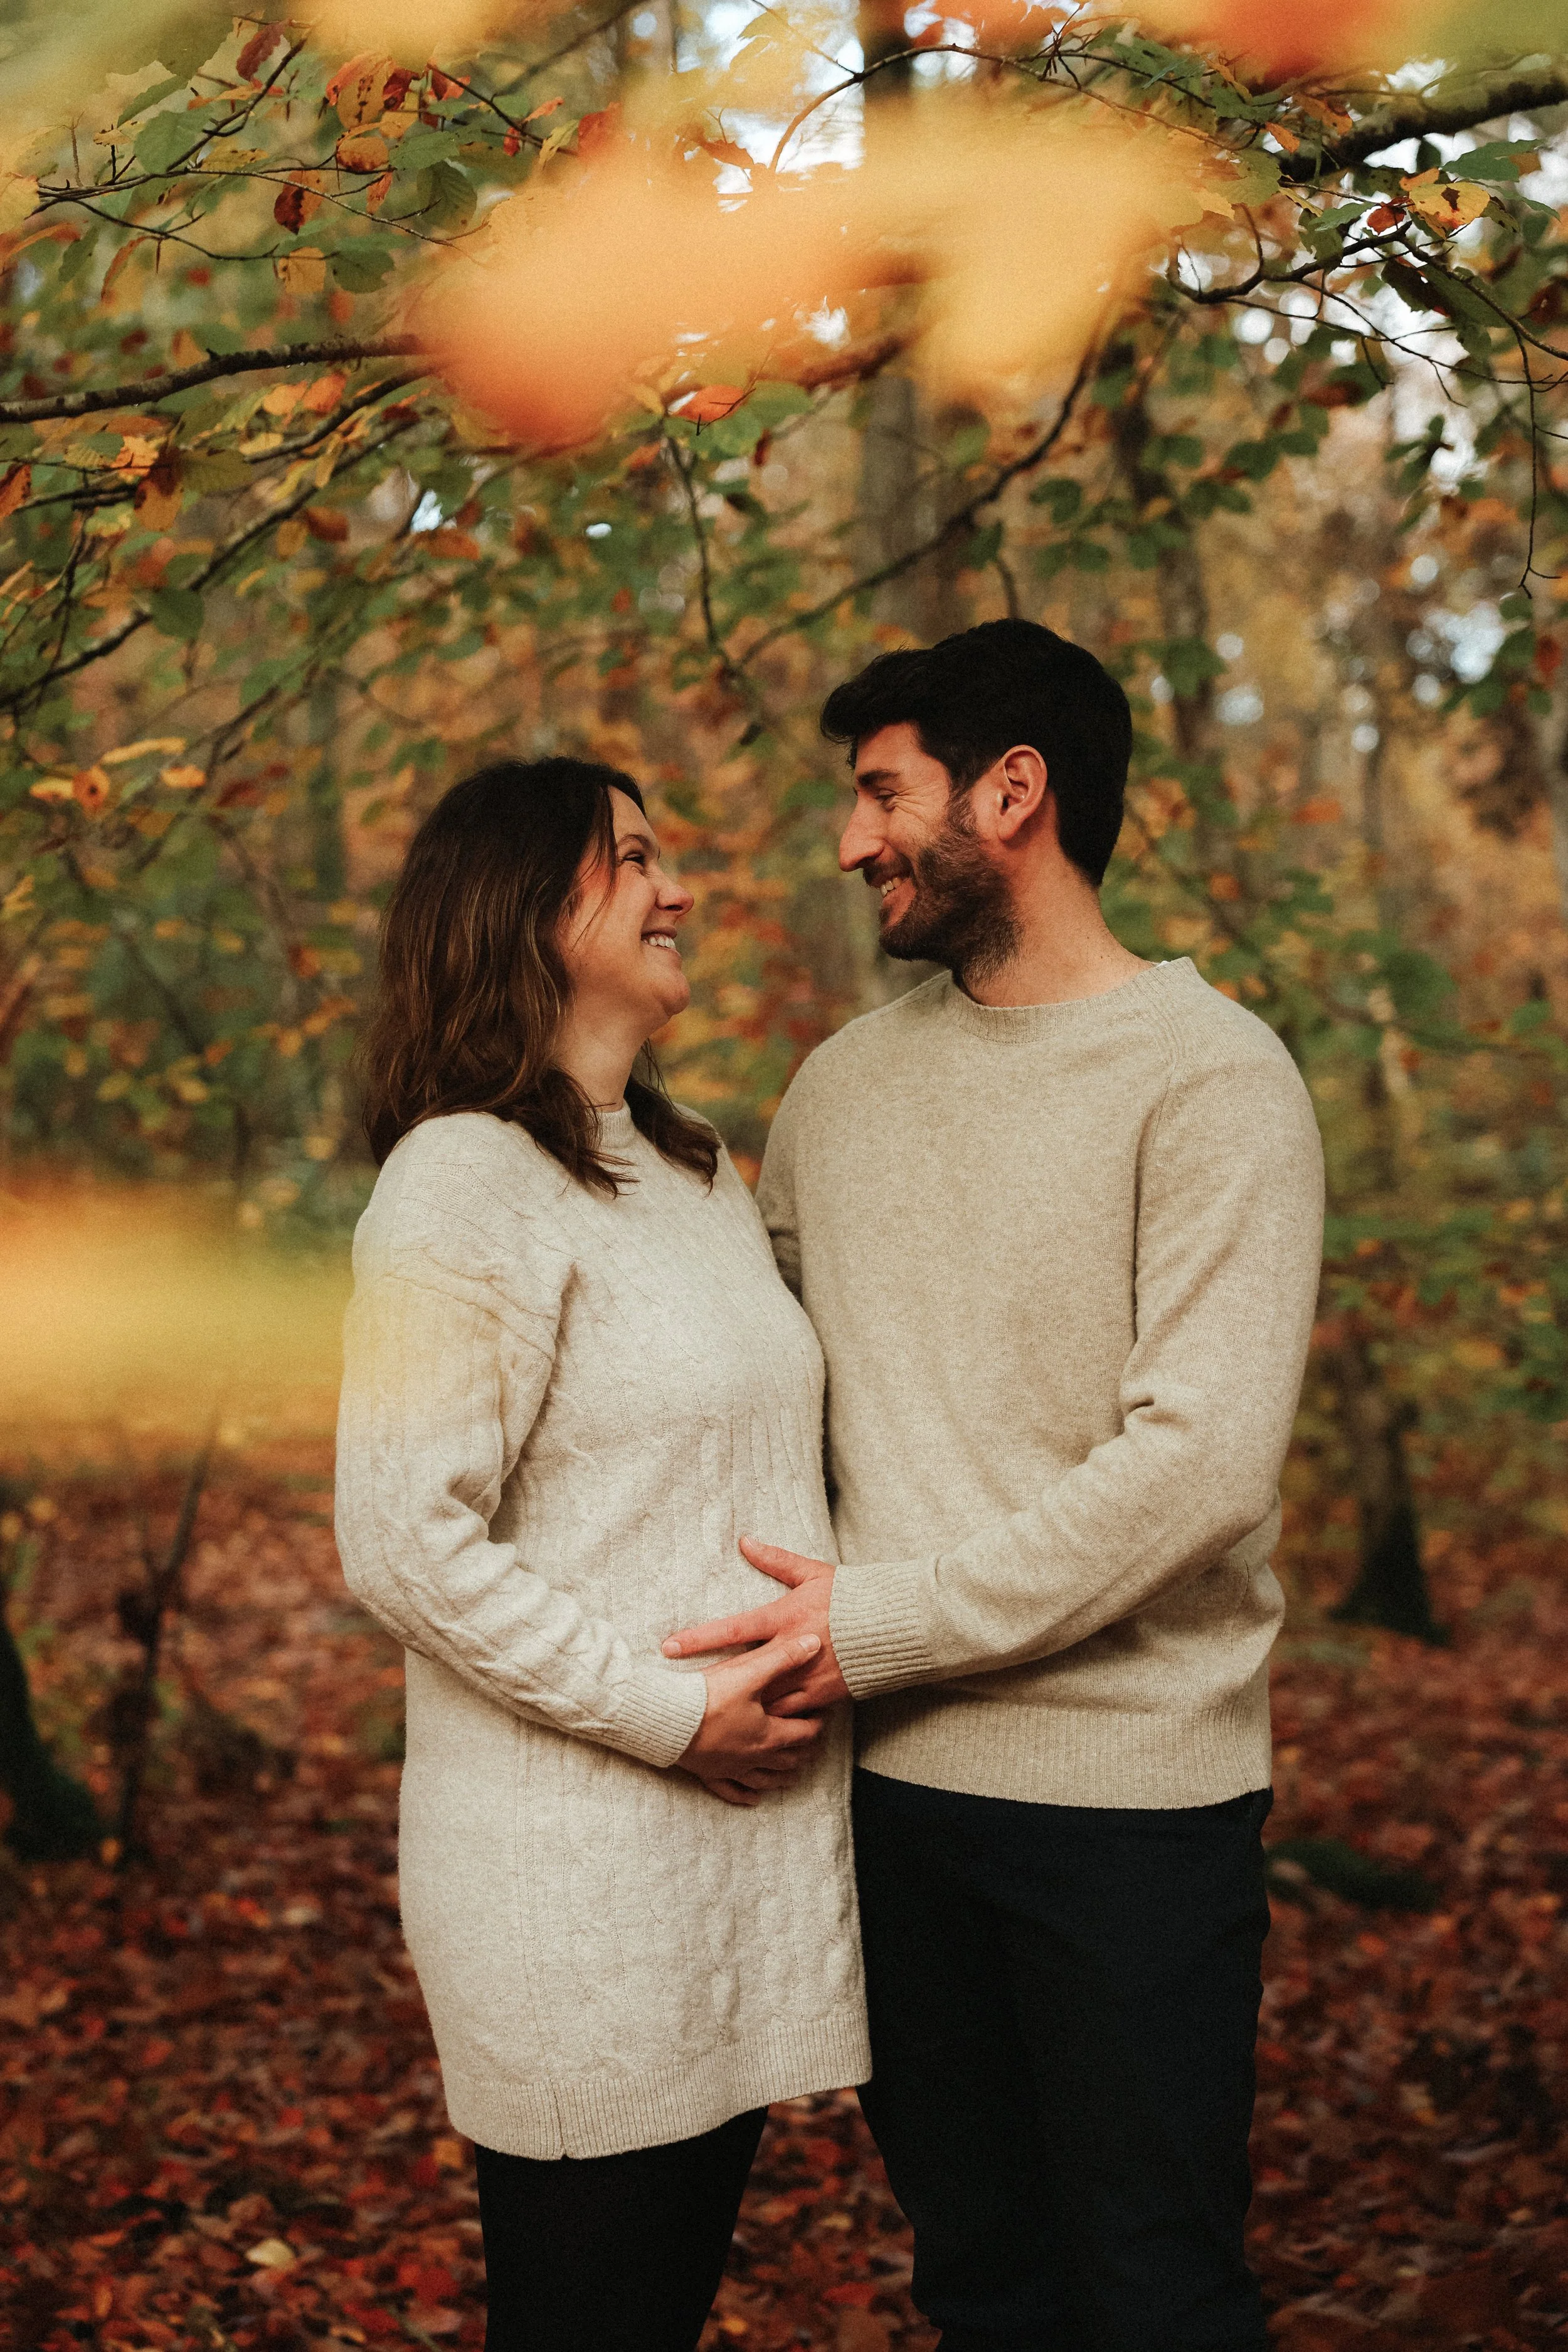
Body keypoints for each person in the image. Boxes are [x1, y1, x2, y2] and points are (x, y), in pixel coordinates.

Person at [662, 620, 1326, 2352]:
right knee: (983, 2278)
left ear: (1010, 791)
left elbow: (1194, 1465)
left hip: (1130, 1805)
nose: (851, 837)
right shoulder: (838, 1086)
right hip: (883, 1794)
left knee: (1153, 2284)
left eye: (882, 791)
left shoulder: (1214, 1080)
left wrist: (874, 1621)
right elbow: (756, 1387)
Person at [334, 757, 868, 2352]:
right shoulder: (459, 1183)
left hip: (728, 1873)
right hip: (575, 1885)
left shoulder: (695, 1172)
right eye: (630, 858)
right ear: (522, 908)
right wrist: (672, 1711)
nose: (676, 889)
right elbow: (401, 1539)